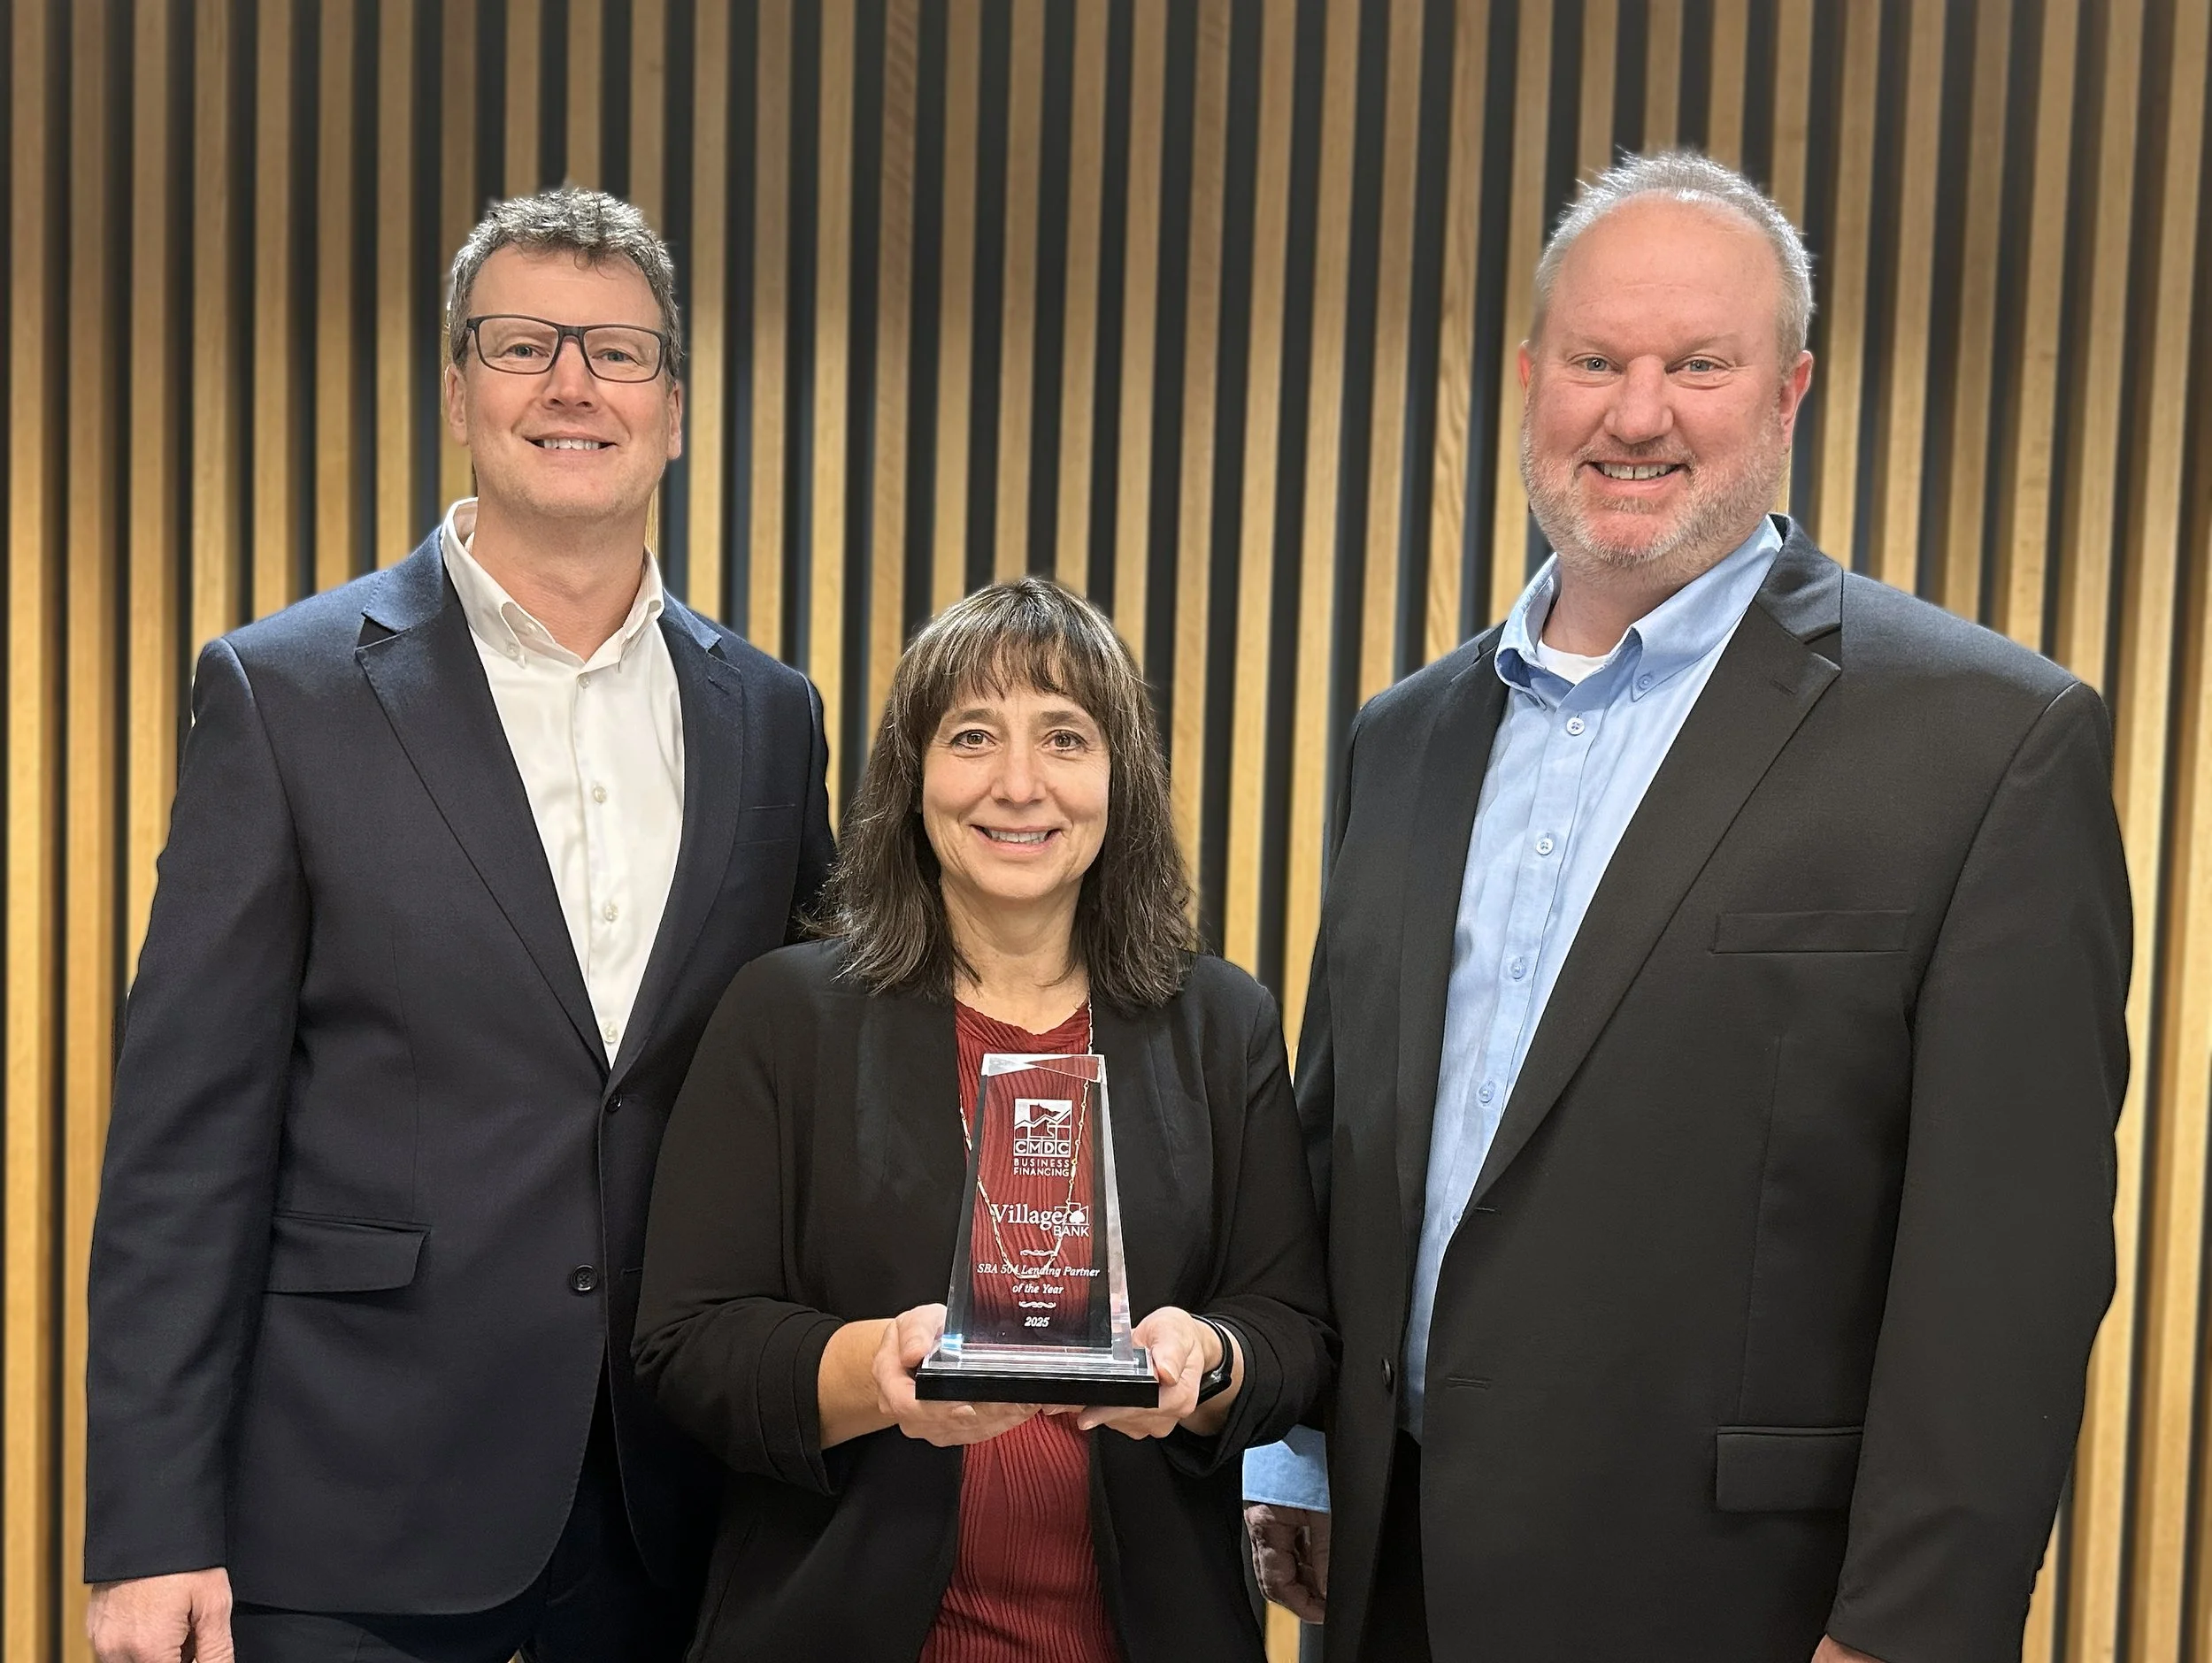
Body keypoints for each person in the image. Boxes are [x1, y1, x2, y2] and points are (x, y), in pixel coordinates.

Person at [1244, 149, 2131, 1662]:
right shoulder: (1407, 736)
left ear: (1788, 392)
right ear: (1532, 379)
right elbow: (1345, 1146)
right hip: (1394, 1586)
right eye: (1597, 359)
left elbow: (2009, 1268)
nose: (1637, 412)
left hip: (1744, 1609)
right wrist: (1305, 1454)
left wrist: (1911, 1632)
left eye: (1698, 365)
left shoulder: (1986, 741)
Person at [84, 187, 833, 1663]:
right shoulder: (284, 692)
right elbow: (183, 1144)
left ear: (674, 410)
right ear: (455, 391)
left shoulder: (771, 718)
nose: (572, 385)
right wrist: (151, 1530)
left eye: (619, 354)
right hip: (353, 1515)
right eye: (522, 344)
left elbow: (804, 1085)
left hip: (675, 1510)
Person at [634, 577, 1336, 1662]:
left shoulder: (1221, 1022)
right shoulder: (786, 1013)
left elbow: (1290, 1326)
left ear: (1119, 780)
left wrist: (1208, 1359)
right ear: (912, 779)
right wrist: (875, 1369)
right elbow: (688, 1340)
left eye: (1064, 736)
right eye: (972, 736)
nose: (1018, 784)